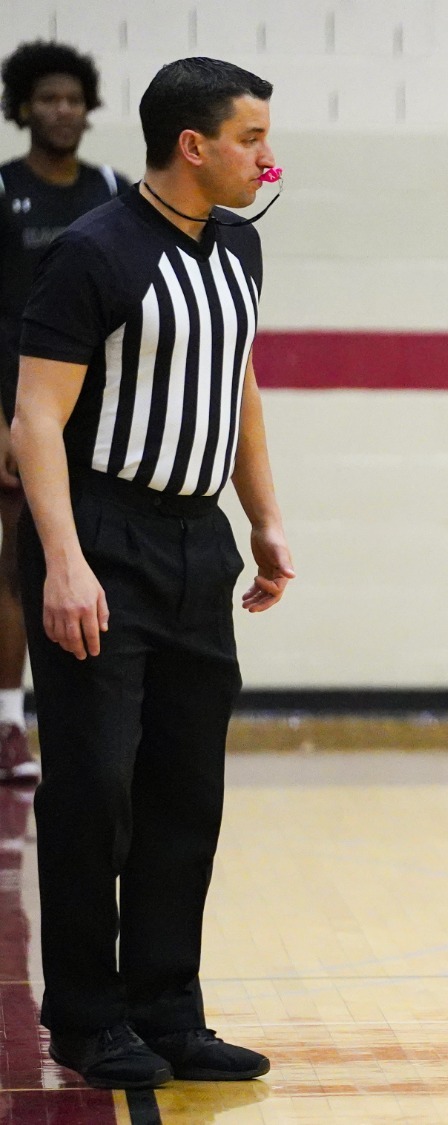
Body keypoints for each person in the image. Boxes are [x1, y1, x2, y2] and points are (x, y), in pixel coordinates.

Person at [14, 56, 292, 1090]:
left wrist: (263, 520)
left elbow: (240, 385)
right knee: (96, 789)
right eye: (252, 138)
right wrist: (63, 563)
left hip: (193, 540)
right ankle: (88, 1019)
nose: (268, 157)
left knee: (185, 791)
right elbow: (36, 415)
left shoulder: (240, 248)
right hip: (98, 534)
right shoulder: (96, 251)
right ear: (194, 145)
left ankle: (168, 1009)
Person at [0, 41, 128, 783]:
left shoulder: (111, 188)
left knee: (94, 558)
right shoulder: (5, 191)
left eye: (72, 98)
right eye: (46, 98)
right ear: (23, 107)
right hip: (20, 409)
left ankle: (91, 722)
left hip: (95, 417)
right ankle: (10, 724)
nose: (61, 110)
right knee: (21, 565)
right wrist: (8, 420)